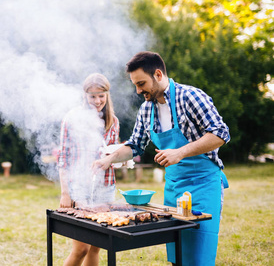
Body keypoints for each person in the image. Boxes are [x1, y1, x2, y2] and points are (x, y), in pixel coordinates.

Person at [93, 51, 230, 266]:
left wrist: (180, 152)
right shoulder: (147, 109)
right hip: (174, 188)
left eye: (141, 83)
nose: (138, 91)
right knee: (177, 253)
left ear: (158, 74)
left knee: (198, 256)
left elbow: (221, 133)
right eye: (135, 85)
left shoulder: (191, 97)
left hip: (203, 184)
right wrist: (109, 160)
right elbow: (135, 145)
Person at [59, 73, 120, 266]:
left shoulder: (113, 121)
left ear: (107, 95)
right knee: (81, 248)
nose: (97, 100)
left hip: (105, 186)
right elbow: (63, 157)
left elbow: (113, 153)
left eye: (101, 95)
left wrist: (117, 159)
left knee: (96, 246)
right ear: (85, 95)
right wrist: (65, 193)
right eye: (92, 96)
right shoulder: (72, 118)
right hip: (80, 188)